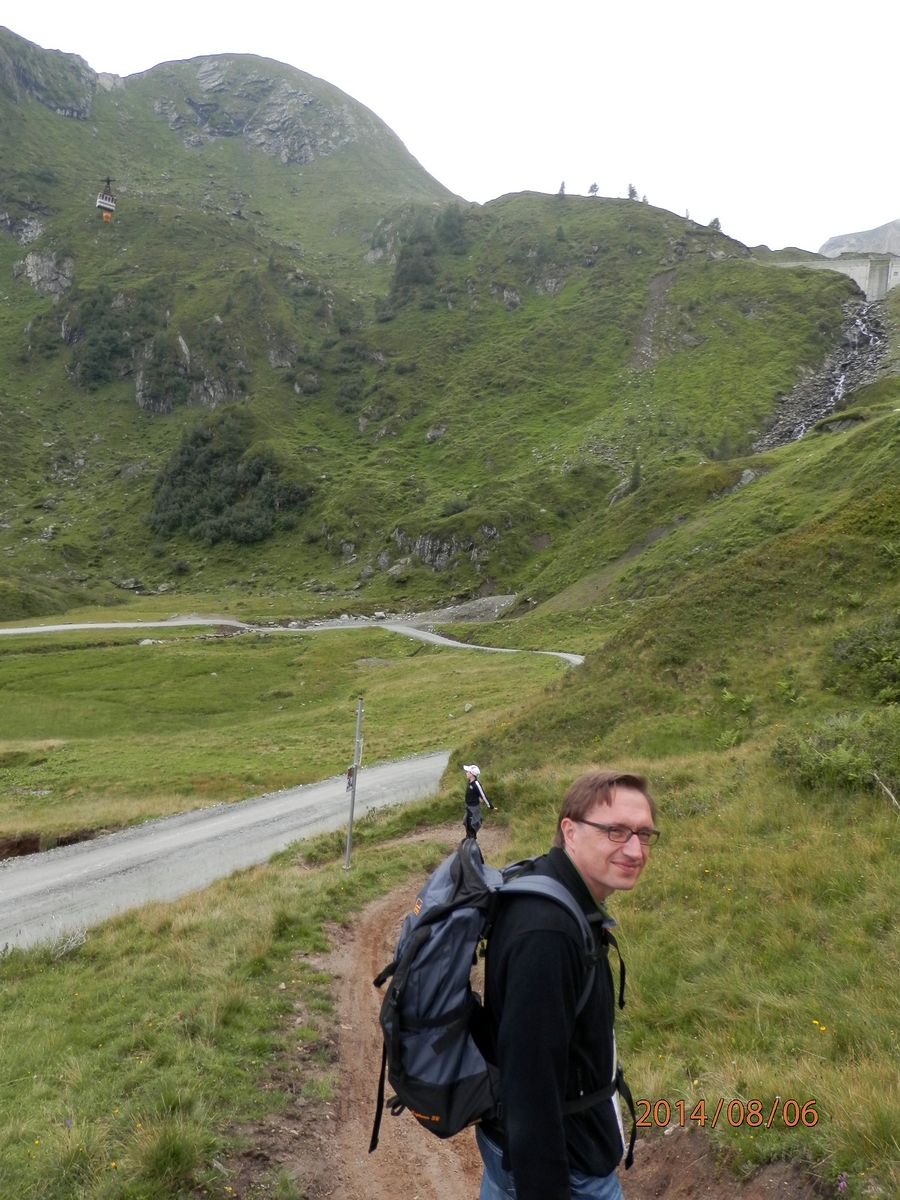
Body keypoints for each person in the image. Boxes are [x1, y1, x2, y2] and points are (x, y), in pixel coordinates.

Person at [475, 768, 659, 1200]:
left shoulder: (556, 892)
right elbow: (530, 1085)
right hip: (566, 1174)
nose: (635, 849)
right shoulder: (548, 933)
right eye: (616, 832)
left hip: (533, 1156)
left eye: (644, 834)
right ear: (570, 831)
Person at [463, 764, 496, 838]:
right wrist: (478, 797)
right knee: (466, 822)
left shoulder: (476, 784)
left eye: (468, 772)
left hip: (474, 808)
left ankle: (472, 839)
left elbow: (483, 796)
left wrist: (491, 806)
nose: (466, 773)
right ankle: (468, 837)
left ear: (472, 774)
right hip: (468, 807)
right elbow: (475, 793)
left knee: (472, 824)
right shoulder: (469, 782)